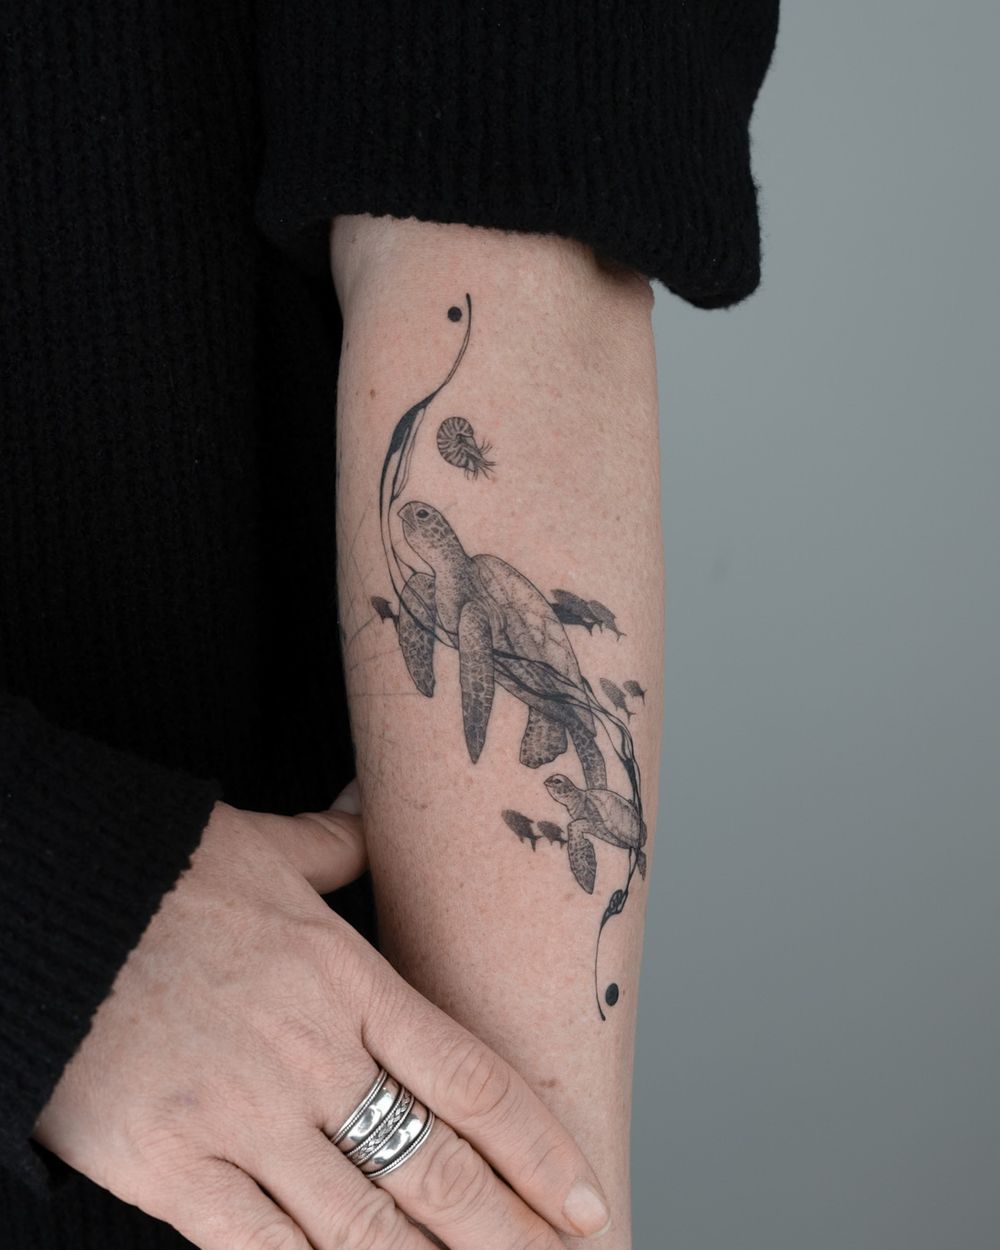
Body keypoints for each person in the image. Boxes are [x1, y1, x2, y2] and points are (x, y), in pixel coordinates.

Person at [0, 3, 780, 1247]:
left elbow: (504, 210)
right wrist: (49, 908)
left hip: (270, 1108)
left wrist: (538, 1206)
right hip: (154, 1027)